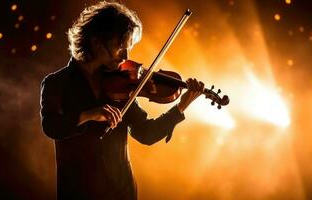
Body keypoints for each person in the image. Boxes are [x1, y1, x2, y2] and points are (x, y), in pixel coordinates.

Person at [40, 1, 204, 200]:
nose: (126, 56)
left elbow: (146, 133)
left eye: (128, 48)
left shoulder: (122, 84)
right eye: (119, 48)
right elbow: (51, 127)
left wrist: (181, 106)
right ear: (97, 43)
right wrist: (88, 115)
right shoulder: (56, 83)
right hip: (79, 191)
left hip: (121, 191)